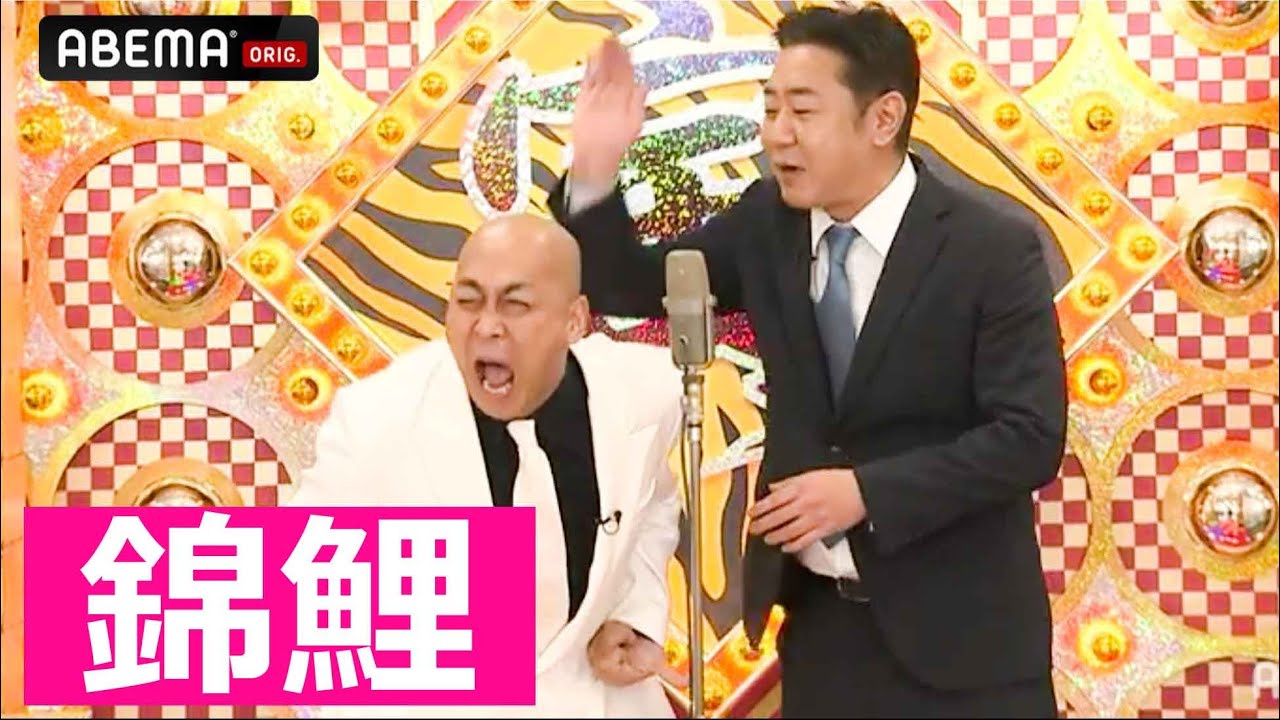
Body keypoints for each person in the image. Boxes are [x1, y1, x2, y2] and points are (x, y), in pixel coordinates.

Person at [553, 4, 1068, 718]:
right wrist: (593, 167)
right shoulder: (768, 224)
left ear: (883, 118)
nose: (777, 133)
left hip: (967, 646)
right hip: (824, 635)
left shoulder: (991, 249)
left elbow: (1029, 438)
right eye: (771, 109)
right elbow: (627, 286)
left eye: (801, 110)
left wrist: (866, 493)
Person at [292, 214, 686, 717]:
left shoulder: (646, 393)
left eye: (515, 305)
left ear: (574, 320)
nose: (487, 326)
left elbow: (655, 503)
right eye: (467, 301)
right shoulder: (378, 419)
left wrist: (636, 613)